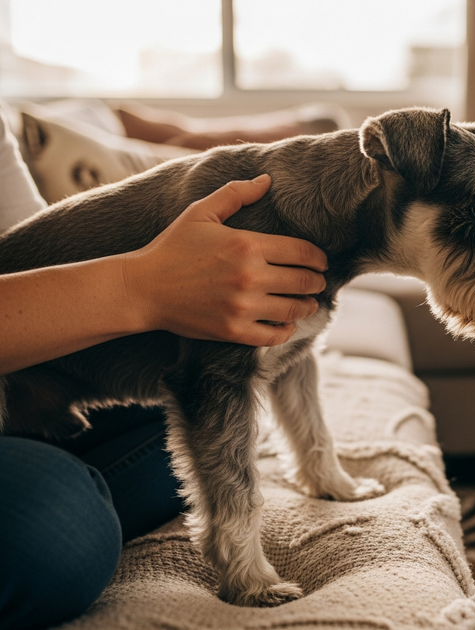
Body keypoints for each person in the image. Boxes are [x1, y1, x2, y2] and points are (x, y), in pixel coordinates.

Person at [0, 105, 328, 629]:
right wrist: (142, 286)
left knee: (216, 409)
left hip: (29, 378)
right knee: (55, 528)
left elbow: (21, 257)